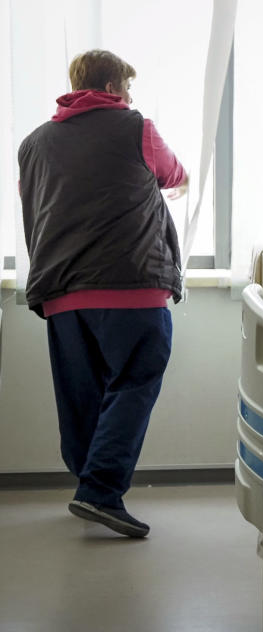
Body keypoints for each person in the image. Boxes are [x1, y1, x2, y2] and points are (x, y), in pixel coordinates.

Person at [18, 49, 188, 538]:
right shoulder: (136, 126)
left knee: (80, 394)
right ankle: (100, 491)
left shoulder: (33, 144)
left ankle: (88, 482)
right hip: (131, 284)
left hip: (61, 290)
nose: (131, 97)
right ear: (114, 87)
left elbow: (38, 208)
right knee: (135, 380)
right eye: (128, 88)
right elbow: (173, 174)